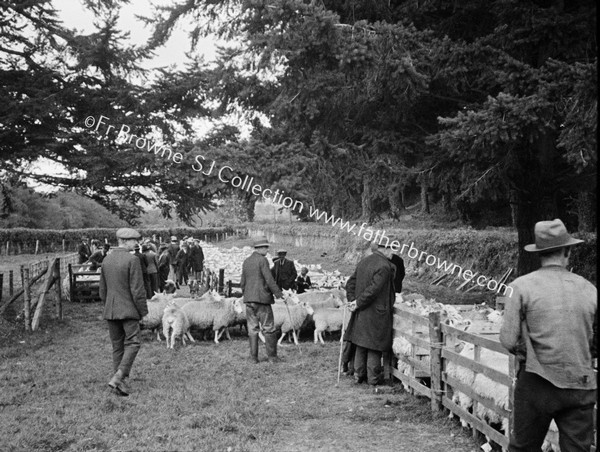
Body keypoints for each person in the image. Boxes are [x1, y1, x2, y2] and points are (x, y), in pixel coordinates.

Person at [500, 219, 597, 452]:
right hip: (580, 385)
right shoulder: (589, 289)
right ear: (568, 250)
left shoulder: (520, 287)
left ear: (539, 253)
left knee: (523, 448)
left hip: (536, 383)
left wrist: (526, 351)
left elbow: (508, 339)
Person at [99, 228, 148, 396]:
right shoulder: (132, 260)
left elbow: (102, 291)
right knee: (134, 342)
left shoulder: (106, 260)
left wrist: (108, 306)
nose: (136, 243)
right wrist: (142, 311)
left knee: (117, 346)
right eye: (134, 240)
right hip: (128, 310)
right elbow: (137, 290)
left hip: (111, 310)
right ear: (125, 241)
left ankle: (119, 383)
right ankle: (119, 376)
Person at [343, 240, 396, 385]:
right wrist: (358, 302)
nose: (393, 253)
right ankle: (373, 379)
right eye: (392, 249)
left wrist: (353, 301)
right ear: (384, 249)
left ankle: (358, 376)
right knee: (375, 345)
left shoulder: (364, 262)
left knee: (361, 342)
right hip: (376, 312)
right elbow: (374, 290)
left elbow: (350, 283)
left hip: (361, 311)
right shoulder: (384, 266)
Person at [241, 237, 284, 363]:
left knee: (252, 329)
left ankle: (253, 358)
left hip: (249, 300)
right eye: (265, 247)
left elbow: (242, 282)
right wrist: (278, 293)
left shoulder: (247, 261)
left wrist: (247, 295)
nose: (267, 249)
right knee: (268, 328)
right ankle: (272, 357)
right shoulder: (263, 260)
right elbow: (269, 279)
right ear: (259, 248)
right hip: (262, 300)